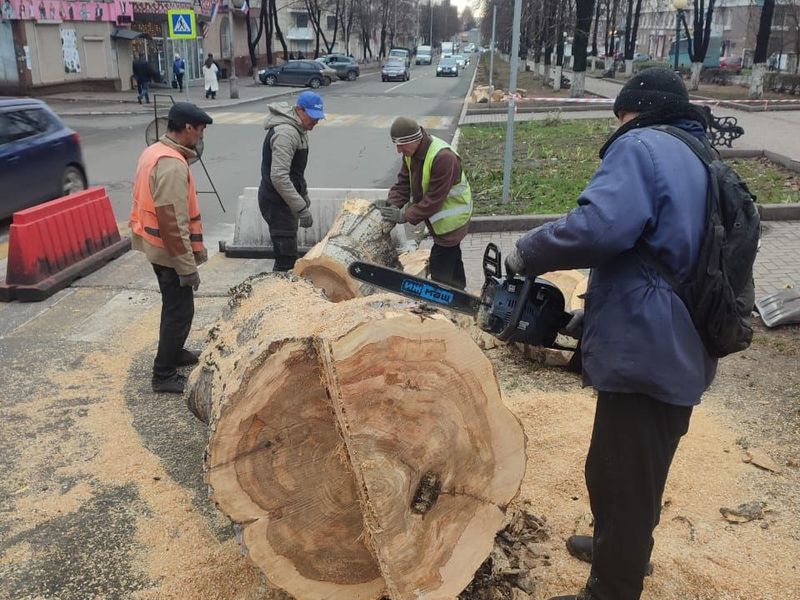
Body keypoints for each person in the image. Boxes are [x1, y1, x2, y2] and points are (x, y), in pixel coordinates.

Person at [503, 68, 717, 600]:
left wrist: (528, 251)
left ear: (631, 110)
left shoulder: (642, 145)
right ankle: (618, 549)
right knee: (630, 467)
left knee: (623, 475)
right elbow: (654, 250)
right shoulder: (697, 153)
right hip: (679, 336)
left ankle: (612, 588)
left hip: (651, 344)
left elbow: (601, 227)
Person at [129, 102, 213, 394]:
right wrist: (187, 268)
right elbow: (172, 222)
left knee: (174, 307)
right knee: (180, 311)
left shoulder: (154, 151)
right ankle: (163, 373)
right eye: (200, 130)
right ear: (188, 128)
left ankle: (175, 353)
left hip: (156, 246)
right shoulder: (171, 164)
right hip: (169, 252)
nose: (201, 136)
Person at [377, 116, 473, 290]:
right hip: (439, 219)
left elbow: (434, 199)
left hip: (452, 219)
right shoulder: (411, 153)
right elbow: (403, 183)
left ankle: (444, 303)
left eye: (401, 145)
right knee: (452, 259)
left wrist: (405, 215)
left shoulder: (444, 158)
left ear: (415, 139)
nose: (398, 151)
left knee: (440, 268)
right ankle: (462, 296)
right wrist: (391, 203)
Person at [257, 91, 324, 271]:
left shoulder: (299, 129)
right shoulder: (286, 133)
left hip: (285, 201)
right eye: (313, 116)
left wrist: (304, 195)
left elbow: (296, 172)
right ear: (299, 110)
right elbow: (279, 177)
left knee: (289, 257)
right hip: (276, 203)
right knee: (285, 260)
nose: (316, 121)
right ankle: (278, 296)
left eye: (318, 117)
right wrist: (301, 208)